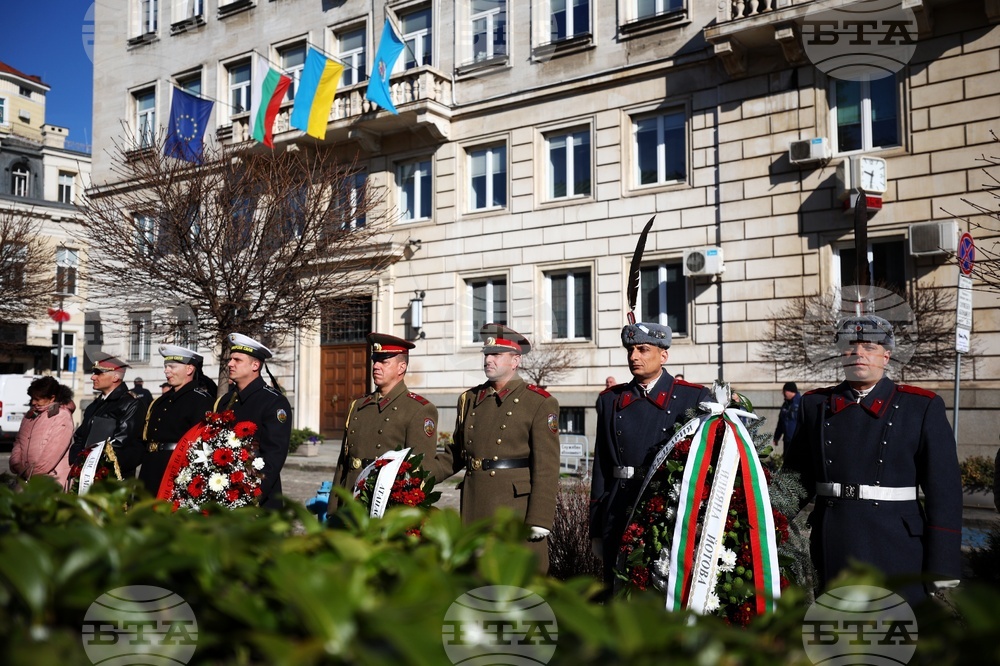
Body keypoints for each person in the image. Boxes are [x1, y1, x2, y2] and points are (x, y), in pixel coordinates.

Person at [784, 314, 962, 605]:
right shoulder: (815, 406)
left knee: (896, 641)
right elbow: (796, 480)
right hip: (834, 542)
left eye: (870, 346)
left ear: (886, 355)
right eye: (851, 346)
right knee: (840, 637)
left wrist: (942, 564)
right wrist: (756, 522)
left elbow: (944, 490)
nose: (859, 354)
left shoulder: (921, 407)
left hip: (897, 546)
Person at [590, 322, 710, 585]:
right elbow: (601, 465)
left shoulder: (692, 397)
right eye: (631, 350)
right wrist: (596, 527)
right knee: (617, 588)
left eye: (643, 349)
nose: (634, 357)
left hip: (665, 509)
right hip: (618, 508)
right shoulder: (610, 400)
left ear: (663, 355)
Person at [433, 324, 560, 572]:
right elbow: (455, 455)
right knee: (477, 580)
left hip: (515, 510)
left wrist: (539, 518)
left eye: (496, 355)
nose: (488, 360)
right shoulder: (470, 400)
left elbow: (547, 466)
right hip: (475, 502)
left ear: (515, 360)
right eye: (486, 354)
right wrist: (415, 475)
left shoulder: (538, 402)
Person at [333, 333, 438, 496]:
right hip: (350, 502)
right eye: (375, 360)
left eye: (384, 361)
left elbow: (419, 471)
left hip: (384, 504)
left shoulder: (417, 409)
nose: (376, 366)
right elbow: (343, 465)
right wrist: (334, 508)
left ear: (401, 367)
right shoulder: (358, 405)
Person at [215, 333, 292, 509]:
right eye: (230, 359)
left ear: (255, 365)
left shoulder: (273, 402)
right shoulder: (226, 401)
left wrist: (249, 495)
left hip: (256, 500)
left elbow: (273, 456)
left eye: (237, 360)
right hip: (222, 493)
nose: (230, 364)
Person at [138, 345, 215, 496]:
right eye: (166, 366)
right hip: (150, 468)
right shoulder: (161, 401)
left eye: (172, 366)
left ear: (189, 369)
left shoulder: (201, 401)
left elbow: (200, 445)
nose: (166, 371)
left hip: (176, 469)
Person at [68, 354, 144, 477]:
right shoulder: (95, 405)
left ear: (115, 377)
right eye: (94, 372)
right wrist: (77, 460)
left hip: (110, 476)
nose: (93, 377)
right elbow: (80, 437)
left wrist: (96, 465)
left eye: (98, 373)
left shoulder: (130, 403)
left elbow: (121, 443)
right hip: (86, 473)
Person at [8, 377, 75, 489]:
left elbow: (53, 452)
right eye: (32, 398)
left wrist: (31, 473)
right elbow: (19, 441)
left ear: (52, 398)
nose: (33, 402)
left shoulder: (61, 416)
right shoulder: (30, 415)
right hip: (26, 478)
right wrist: (17, 465)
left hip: (50, 480)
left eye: (38, 399)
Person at [772, 381, 801, 449]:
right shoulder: (785, 405)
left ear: (789, 391)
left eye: (784, 391)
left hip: (798, 441)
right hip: (787, 440)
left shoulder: (801, 403)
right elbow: (781, 423)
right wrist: (776, 437)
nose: (783, 393)